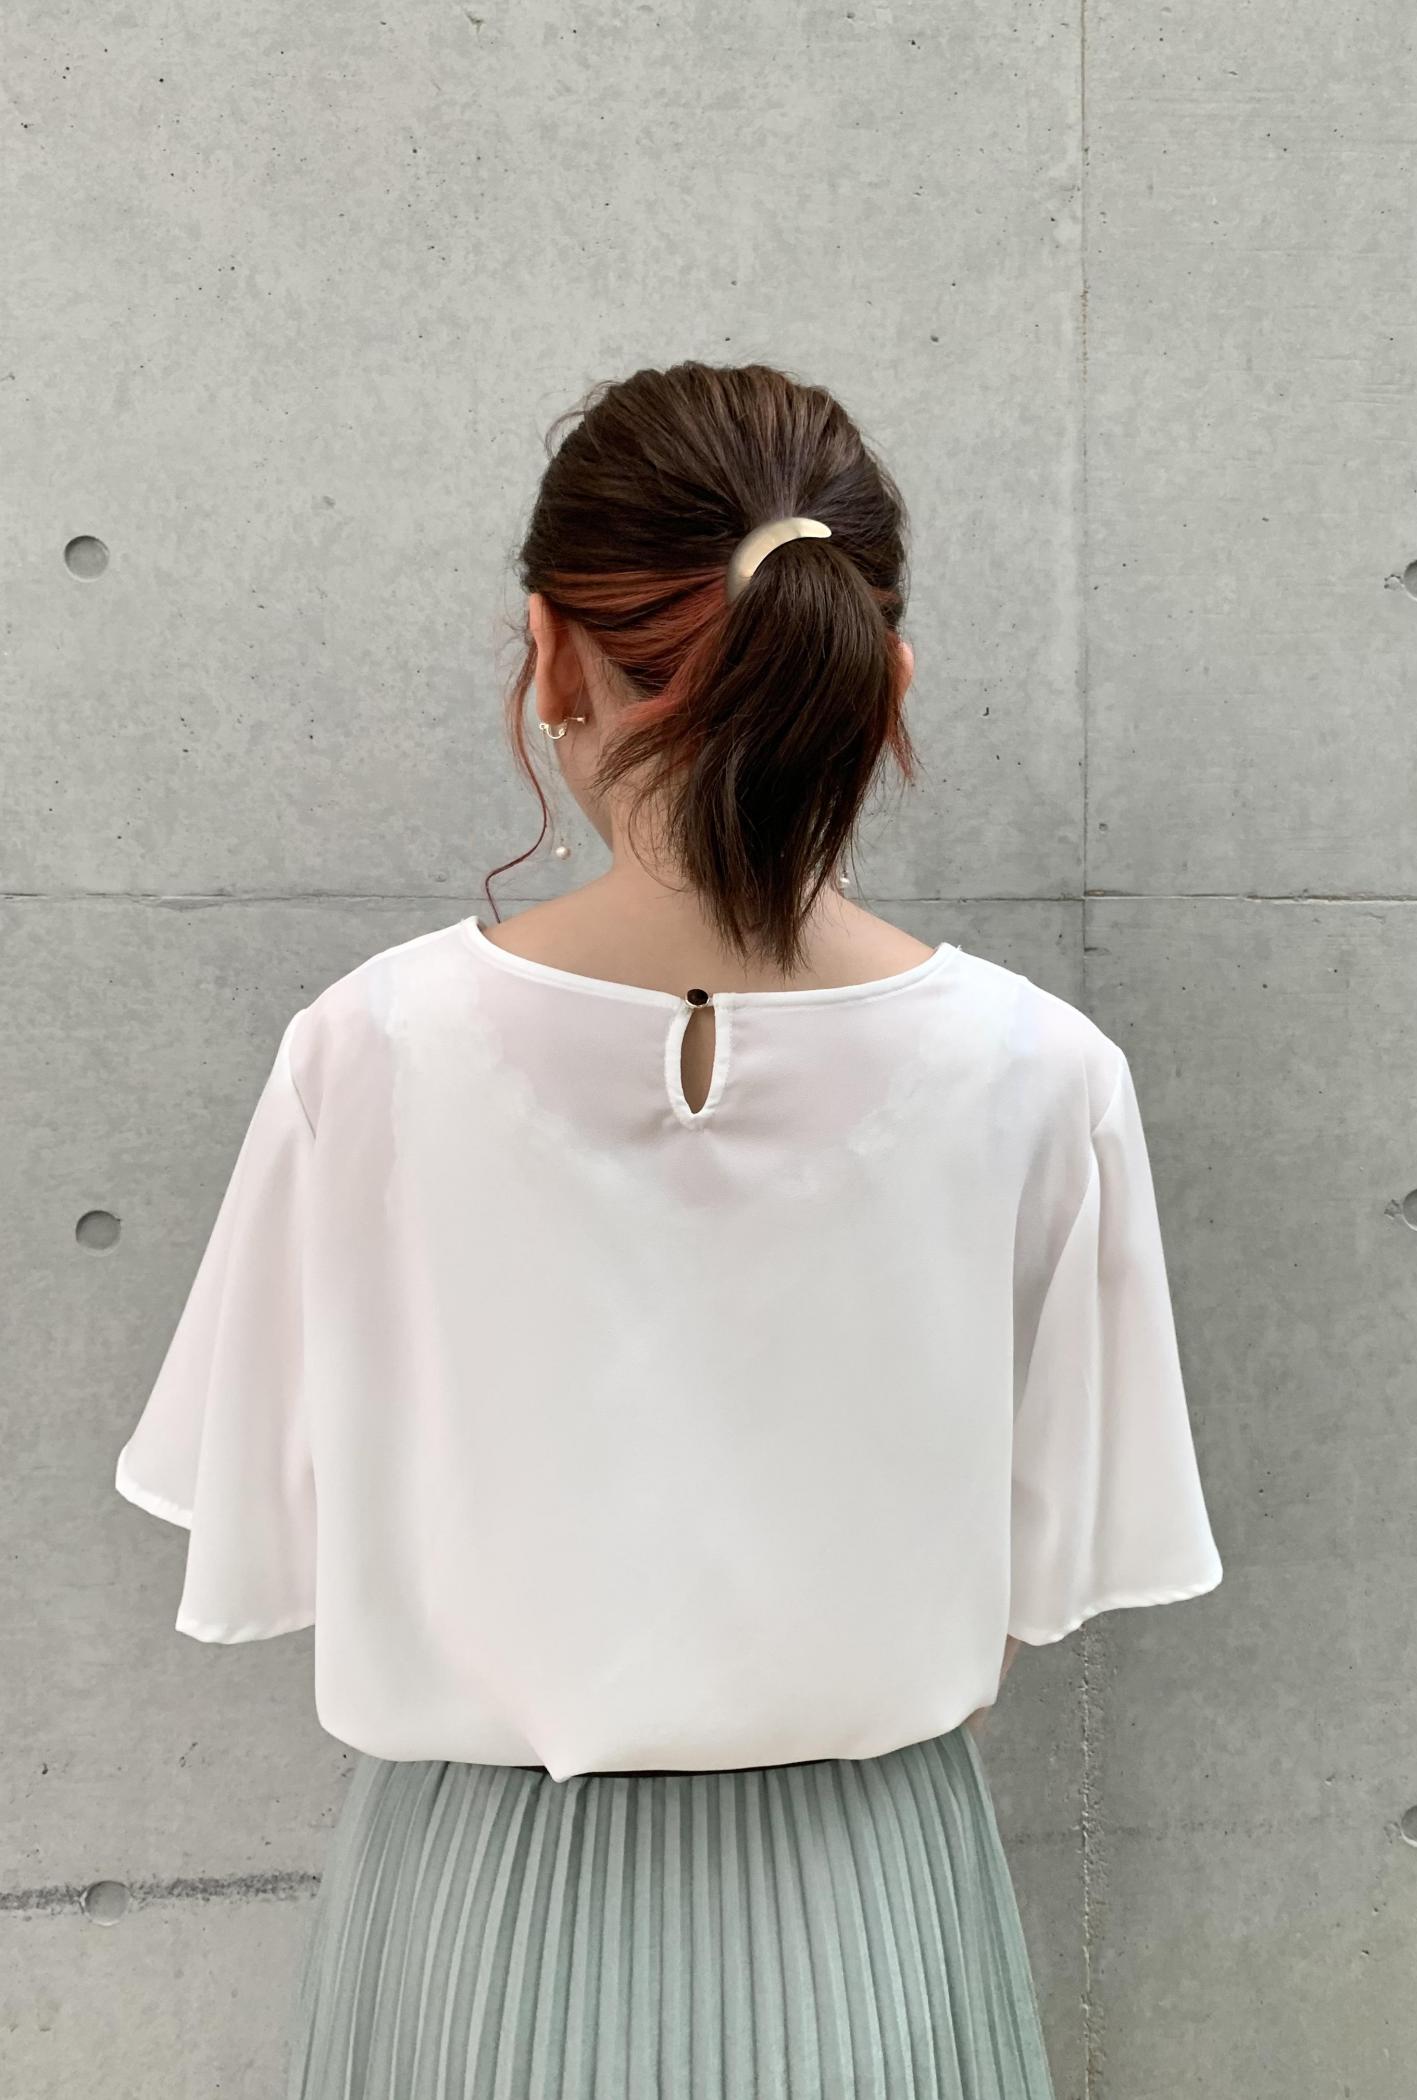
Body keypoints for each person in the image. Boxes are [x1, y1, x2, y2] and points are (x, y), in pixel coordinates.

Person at [114, 359, 1224, 2099]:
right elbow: (1036, 1569)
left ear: (549, 656)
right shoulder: (1043, 1077)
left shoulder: (369, 1053)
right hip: (868, 1908)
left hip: (476, 1912)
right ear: (885, 676)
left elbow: (277, 1509)